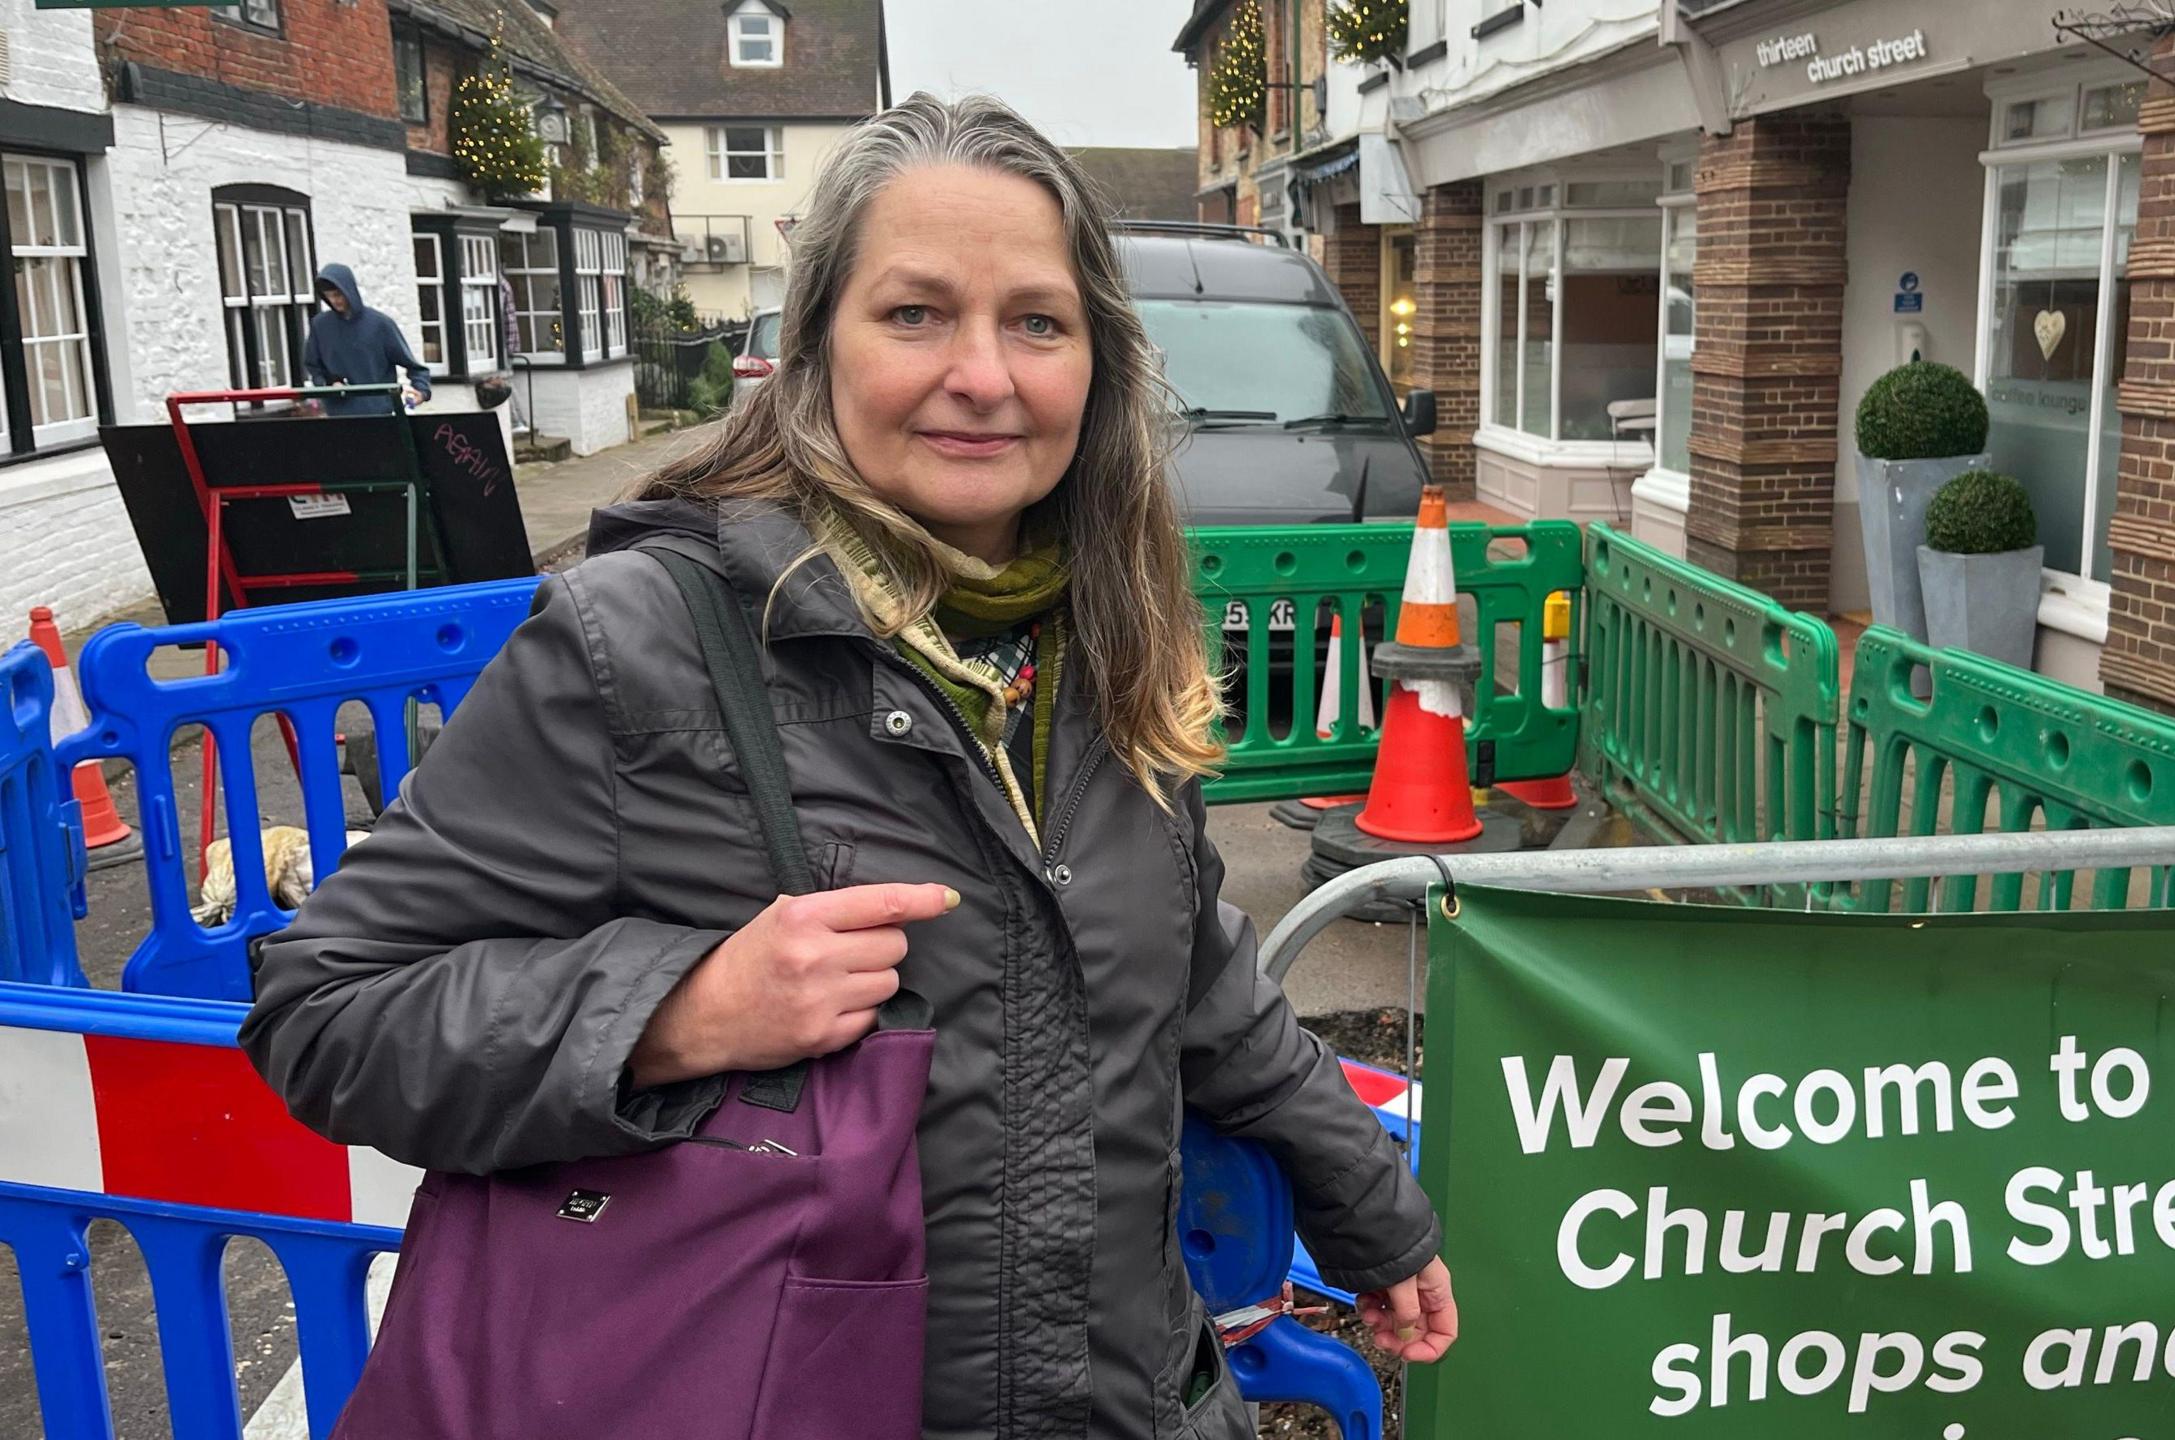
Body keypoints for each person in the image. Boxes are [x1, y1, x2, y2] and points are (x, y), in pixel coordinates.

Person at [240, 93, 1456, 1437]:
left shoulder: (1106, 637)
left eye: (1037, 323)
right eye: (916, 313)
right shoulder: (638, 643)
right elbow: (327, 1010)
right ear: (818, 345)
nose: (984, 374)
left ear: (1098, 364)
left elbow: (1196, 963)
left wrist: (1370, 1209)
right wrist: (675, 1011)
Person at [303, 262, 433, 416]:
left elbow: (415, 367)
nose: (334, 300)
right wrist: (328, 384)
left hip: (380, 416)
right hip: (338, 416)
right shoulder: (320, 325)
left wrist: (420, 391)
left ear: (349, 290)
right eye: (328, 296)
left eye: (337, 294)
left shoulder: (380, 325)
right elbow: (313, 366)